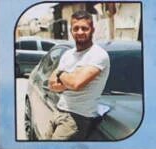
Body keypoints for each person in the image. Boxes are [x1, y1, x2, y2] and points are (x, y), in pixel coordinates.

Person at [43, 11, 112, 140]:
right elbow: (52, 85)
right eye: (76, 28)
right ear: (71, 31)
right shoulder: (68, 54)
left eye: (84, 28)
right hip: (58, 111)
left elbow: (75, 84)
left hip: (77, 118)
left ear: (92, 30)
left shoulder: (98, 55)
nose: (80, 32)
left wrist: (61, 73)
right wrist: (70, 79)